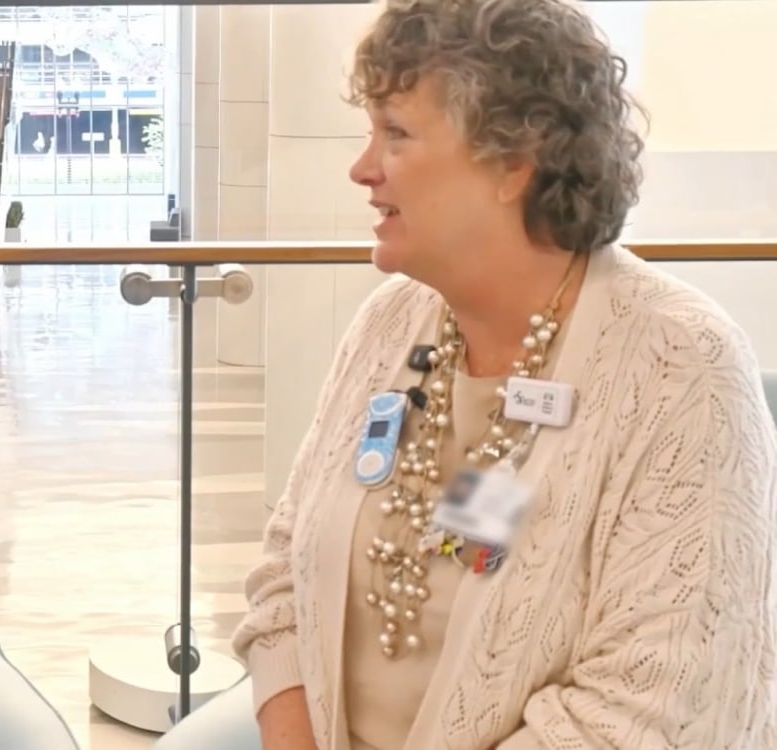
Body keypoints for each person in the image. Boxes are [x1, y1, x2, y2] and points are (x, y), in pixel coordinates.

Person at [232, 1, 777, 749]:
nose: (361, 169)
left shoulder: (683, 369)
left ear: (512, 162)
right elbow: (282, 579)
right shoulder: (391, 323)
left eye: (395, 133)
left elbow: (646, 714)